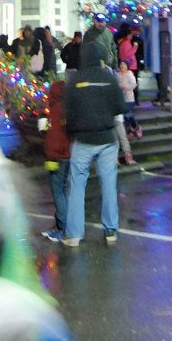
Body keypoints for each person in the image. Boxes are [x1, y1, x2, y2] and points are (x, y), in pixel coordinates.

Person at [62, 41, 125, 246]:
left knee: (77, 185)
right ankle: (110, 230)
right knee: (109, 183)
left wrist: (72, 130)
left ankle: (74, 234)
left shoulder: (74, 80)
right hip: (107, 139)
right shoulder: (109, 78)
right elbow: (120, 107)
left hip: (83, 139)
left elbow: (68, 112)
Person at [41, 79, 71, 242]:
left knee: (57, 192)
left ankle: (62, 228)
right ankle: (61, 225)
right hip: (68, 155)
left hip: (56, 156)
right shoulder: (68, 108)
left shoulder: (53, 110)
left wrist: (50, 154)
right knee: (63, 191)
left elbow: (53, 135)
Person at [117, 60, 141, 140]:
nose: (122, 66)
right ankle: (129, 131)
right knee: (125, 116)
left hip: (129, 98)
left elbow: (134, 84)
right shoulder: (118, 74)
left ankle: (136, 127)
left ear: (127, 66)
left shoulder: (130, 74)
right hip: (121, 98)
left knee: (128, 114)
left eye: (124, 64)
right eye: (121, 64)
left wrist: (126, 88)